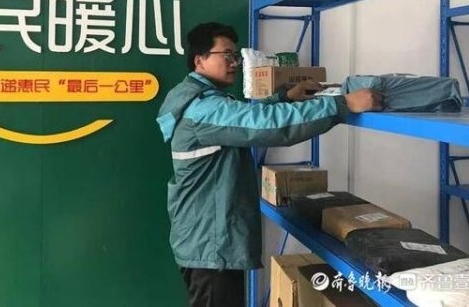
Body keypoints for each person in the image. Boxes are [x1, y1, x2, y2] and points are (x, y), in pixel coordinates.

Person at [156, 22, 381, 307]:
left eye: (235, 55)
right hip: (211, 244)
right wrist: (342, 104)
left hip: (207, 237)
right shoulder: (202, 108)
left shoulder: (198, 99)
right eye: (227, 55)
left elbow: (241, 119)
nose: (234, 62)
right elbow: (266, 126)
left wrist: (283, 98)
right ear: (200, 60)